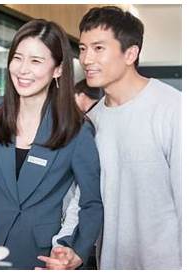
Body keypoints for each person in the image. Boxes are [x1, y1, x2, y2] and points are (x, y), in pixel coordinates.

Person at [0, 19, 103, 269]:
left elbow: (91, 202)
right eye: (18, 58)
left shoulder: (75, 130)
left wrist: (76, 251)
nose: (22, 70)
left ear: (58, 70)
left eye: (36, 61)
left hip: (38, 254)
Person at [72, 6, 179, 270]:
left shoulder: (174, 109)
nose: (86, 59)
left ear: (130, 53)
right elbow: (82, 196)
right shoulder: (92, 120)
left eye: (98, 48)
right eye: (83, 48)